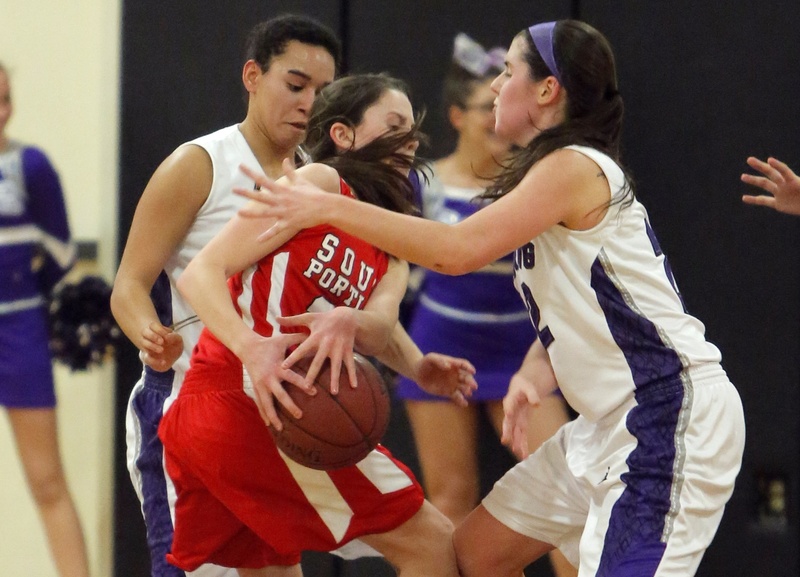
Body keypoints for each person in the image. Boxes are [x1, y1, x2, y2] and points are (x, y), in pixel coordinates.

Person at [237, 19, 747, 577]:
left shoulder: (573, 165)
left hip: (669, 418)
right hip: (604, 426)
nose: (497, 85)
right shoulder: (546, 171)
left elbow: (457, 252)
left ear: (548, 90)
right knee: (468, 557)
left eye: (508, 72)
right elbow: (592, 306)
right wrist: (535, 371)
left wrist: (329, 205)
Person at [158, 73, 476, 577]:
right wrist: (252, 348)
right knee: (434, 544)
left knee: (274, 568)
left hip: (261, 410)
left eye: (412, 131)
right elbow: (201, 273)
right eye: (393, 124)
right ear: (344, 135)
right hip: (253, 396)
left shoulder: (392, 243)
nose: (409, 141)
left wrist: (417, 366)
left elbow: (377, 327)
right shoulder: (319, 186)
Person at [109, 15, 340, 577]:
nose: (309, 102)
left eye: (322, 91)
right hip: (188, 406)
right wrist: (147, 332)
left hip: (269, 418)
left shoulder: (317, 178)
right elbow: (130, 285)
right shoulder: (198, 165)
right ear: (252, 76)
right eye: (295, 85)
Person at [394, 33, 575, 577]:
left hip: (521, 352)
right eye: (484, 108)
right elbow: (396, 271)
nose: (496, 117)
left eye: (501, 103)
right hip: (441, 347)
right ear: (455, 115)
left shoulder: (536, 180)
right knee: (451, 500)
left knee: (569, 494)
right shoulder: (423, 184)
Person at [0, 61, 89, 577]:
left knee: (46, 480)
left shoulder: (30, 166)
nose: (2, 111)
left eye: (6, 98)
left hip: (19, 330)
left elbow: (60, 252)